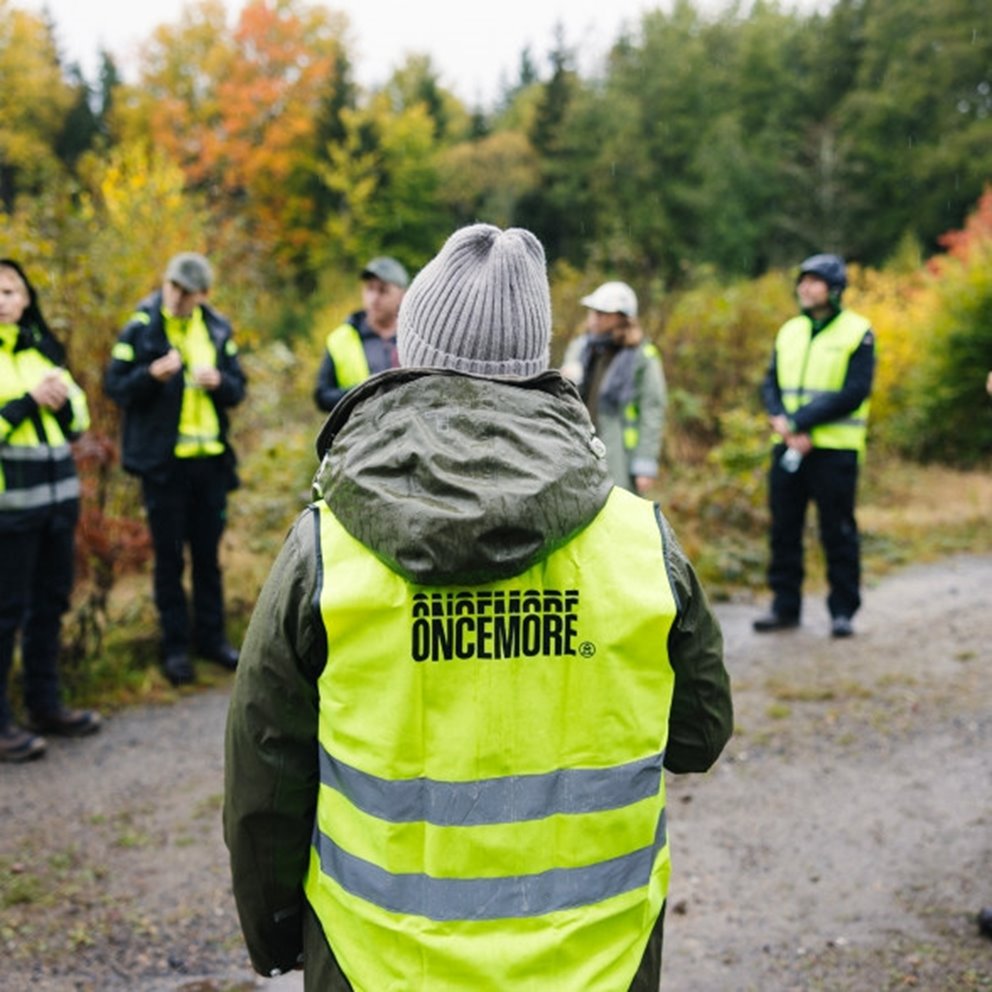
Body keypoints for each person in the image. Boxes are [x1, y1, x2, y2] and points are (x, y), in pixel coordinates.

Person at [225, 225, 732, 991]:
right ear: (537, 365)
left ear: (409, 352)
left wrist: (274, 932)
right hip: (597, 962)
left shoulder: (325, 549)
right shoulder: (639, 542)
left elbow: (266, 776)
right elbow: (697, 735)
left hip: (378, 963)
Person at [104, 252, 246, 687]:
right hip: (163, 467)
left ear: (203, 294)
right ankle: (175, 649)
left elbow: (238, 388)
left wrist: (220, 382)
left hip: (210, 464)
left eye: (187, 291)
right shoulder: (141, 326)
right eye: (173, 287)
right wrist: (151, 375)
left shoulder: (217, 328)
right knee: (169, 560)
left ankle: (212, 640)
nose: (177, 297)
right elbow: (115, 386)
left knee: (207, 559)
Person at [0, 259, 101, 762]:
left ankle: (45, 705)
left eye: (10, 291)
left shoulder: (42, 352)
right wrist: (25, 402)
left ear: (25, 299)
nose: (3, 300)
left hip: (57, 504)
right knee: (5, 615)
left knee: (50, 605)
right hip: (9, 512)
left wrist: (60, 403)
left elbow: (78, 419)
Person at [753, 253, 875, 639]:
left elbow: (854, 392)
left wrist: (798, 421)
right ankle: (784, 606)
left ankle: (843, 611)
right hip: (788, 447)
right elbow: (770, 383)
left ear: (834, 288)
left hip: (835, 452)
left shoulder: (858, 331)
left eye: (813, 280)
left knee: (837, 531)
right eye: (801, 280)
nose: (804, 287)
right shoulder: (789, 330)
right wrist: (781, 420)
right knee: (784, 528)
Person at [567, 281, 667, 494]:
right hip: (578, 451)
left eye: (603, 313)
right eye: (594, 311)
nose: (594, 317)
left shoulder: (642, 356)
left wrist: (645, 464)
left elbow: (652, 410)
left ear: (623, 318)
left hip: (620, 456)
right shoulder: (581, 348)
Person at [313, 256, 409, 412]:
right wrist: (362, 393)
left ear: (402, 295)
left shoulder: (415, 337)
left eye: (383, 290)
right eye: (369, 289)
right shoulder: (340, 339)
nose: (374, 298)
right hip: (360, 426)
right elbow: (323, 397)